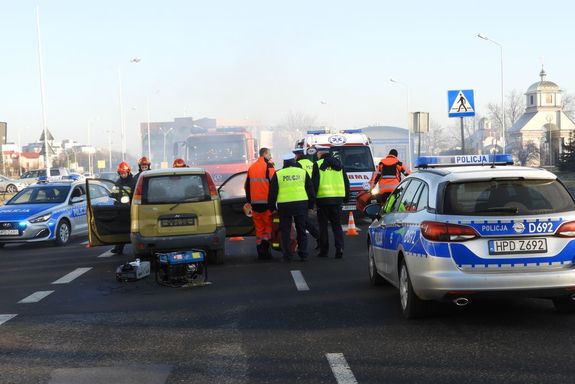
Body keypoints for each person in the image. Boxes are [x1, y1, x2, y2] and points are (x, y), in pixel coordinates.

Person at [268, 153, 315, 262]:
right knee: (301, 230)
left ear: (284, 162)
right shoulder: (302, 172)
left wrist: (271, 207)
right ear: (293, 161)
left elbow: (272, 192)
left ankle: (287, 255)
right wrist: (311, 205)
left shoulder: (278, 174)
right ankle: (303, 254)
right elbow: (310, 189)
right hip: (301, 204)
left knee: (285, 231)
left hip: (284, 206)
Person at [312, 145, 350, 259]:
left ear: (320, 154)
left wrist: (312, 201)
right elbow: (346, 182)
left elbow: (315, 184)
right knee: (337, 226)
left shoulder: (318, 165)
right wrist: (346, 198)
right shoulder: (339, 164)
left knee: (323, 227)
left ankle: (324, 251)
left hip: (322, 200)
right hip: (337, 200)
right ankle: (339, 248)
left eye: (317, 153)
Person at [245, 147, 275, 260]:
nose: (270, 156)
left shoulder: (252, 167)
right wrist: (274, 202)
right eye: (269, 154)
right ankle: (265, 250)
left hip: (255, 204)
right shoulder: (269, 166)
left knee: (259, 229)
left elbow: (246, 186)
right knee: (268, 227)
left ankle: (260, 253)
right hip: (267, 204)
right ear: (265, 154)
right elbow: (274, 185)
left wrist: (249, 202)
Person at [293, 148, 320, 243]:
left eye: (295, 156)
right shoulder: (311, 163)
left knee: (304, 221)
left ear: (297, 156)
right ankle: (318, 238)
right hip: (312, 193)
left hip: (303, 195)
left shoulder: (298, 165)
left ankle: (317, 237)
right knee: (306, 220)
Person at [111, 161, 134, 255]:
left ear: (128, 172)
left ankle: (138, 248)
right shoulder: (118, 182)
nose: (123, 174)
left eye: (124, 173)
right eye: (121, 173)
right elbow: (114, 193)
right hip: (120, 208)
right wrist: (113, 196)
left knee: (131, 229)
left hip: (130, 208)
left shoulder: (133, 182)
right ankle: (118, 248)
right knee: (120, 228)